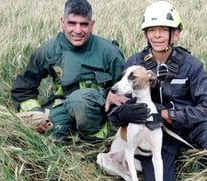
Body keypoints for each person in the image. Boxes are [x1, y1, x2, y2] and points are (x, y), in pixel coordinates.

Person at [106, 1, 207, 181]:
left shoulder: (191, 65)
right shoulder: (134, 64)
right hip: (155, 135)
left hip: (188, 125)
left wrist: (170, 114)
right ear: (145, 34)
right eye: (152, 30)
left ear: (175, 34)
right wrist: (122, 114)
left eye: (163, 30)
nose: (157, 35)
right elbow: (115, 105)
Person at [11, 0, 128, 142]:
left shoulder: (109, 52)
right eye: (72, 23)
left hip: (96, 109)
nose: (78, 30)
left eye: (84, 24)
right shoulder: (48, 50)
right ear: (62, 22)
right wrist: (36, 114)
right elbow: (23, 88)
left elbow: (125, 91)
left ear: (92, 25)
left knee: (79, 100)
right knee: (50, 137)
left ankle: (95, 139)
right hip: (62, 107)